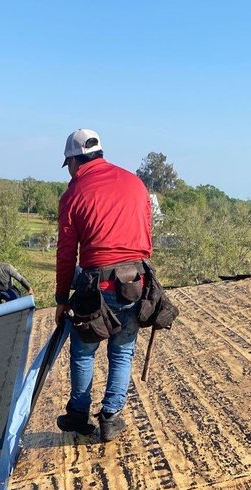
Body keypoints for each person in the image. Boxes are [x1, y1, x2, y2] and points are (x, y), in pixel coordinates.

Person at [55, 128, 153, 442]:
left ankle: (79, 414)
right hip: (136, 282)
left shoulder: (73, 194)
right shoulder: (135, 183)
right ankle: (110, 418)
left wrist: (61, 298)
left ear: (74, 160)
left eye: (69, 165)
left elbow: (66, 253)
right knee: (122, 352)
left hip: (96, 287)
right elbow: (146, 239)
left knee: (84, 351)